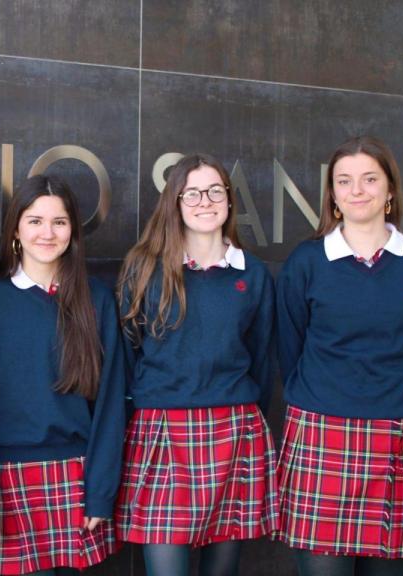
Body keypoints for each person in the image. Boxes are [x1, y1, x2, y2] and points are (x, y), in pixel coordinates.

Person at [274, 135, 403, 576]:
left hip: (400, 431)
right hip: (322, 432)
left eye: (370, 179)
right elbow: (289, 347)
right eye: (345, 181)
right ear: (332, 195)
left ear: (390, 190)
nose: (358, 190)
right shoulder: (307, 262)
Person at [115, 153, 278, 576]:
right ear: (175, 202)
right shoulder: (144, 268)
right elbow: (130, 352)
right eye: (192, 193)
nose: (205, 201)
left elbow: (260, 359)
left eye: (215, 191)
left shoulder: (253, 275)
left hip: (233, 427)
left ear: (229, 200)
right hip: (163, 429)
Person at [0, 174, 126, 575]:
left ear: (73, 231)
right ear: (15, 229)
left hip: (75, 479)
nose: (47, 233)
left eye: (59, 221)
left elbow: (110, 405)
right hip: (4, 482)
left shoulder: (96, 299)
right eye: (35, 221)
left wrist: (100, 493)